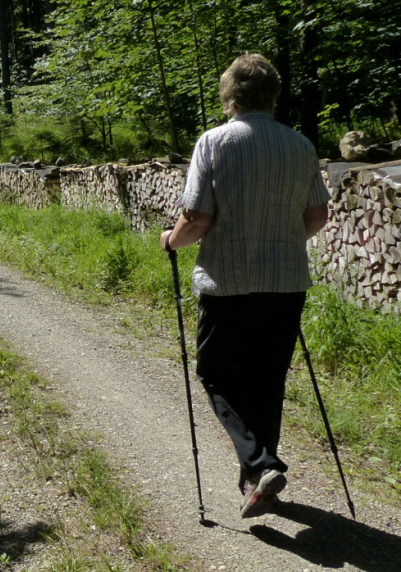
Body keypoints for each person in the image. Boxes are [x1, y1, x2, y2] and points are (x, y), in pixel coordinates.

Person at [159, 53, 331, 518]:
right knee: (266, 379)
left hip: (227, 281)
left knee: (215, 374)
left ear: (230, 94)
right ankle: (259, 477)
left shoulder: (215, 142)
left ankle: (260, 462)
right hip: (286, 280)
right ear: (273, 95)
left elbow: (196, 220)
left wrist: (170, 241)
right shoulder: (300, 146)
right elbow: (317, 215)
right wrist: (282, 239)